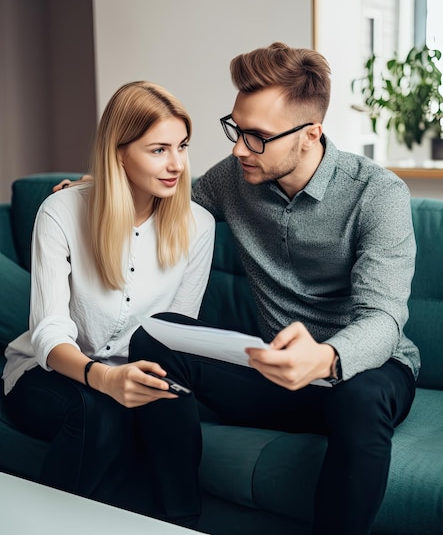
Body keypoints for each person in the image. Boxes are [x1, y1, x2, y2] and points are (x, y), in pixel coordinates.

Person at [50, 42, 420, 535]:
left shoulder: (379, 195)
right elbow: (168, 195)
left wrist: (327, 357)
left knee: (359, 396)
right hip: (275, 374)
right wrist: (103, 183)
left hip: (362, 373)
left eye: (257, 137)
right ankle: (177, 521)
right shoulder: (234, 179)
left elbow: (384, 317)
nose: (238, 148)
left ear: (311, 134)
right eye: (236, 128)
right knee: (154, 337)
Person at [2, 81, 215, 528]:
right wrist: (104, 377)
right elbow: (49, 332)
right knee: (96, 410)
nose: (177, 164)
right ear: (119, 152)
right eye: (158, 149)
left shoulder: (198, 225)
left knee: (173, 400)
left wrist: (142, 380)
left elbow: (177, 333)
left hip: (136, 371)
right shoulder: (61, 212)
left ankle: (182, 522)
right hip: (49, 373)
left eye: (182, 146)